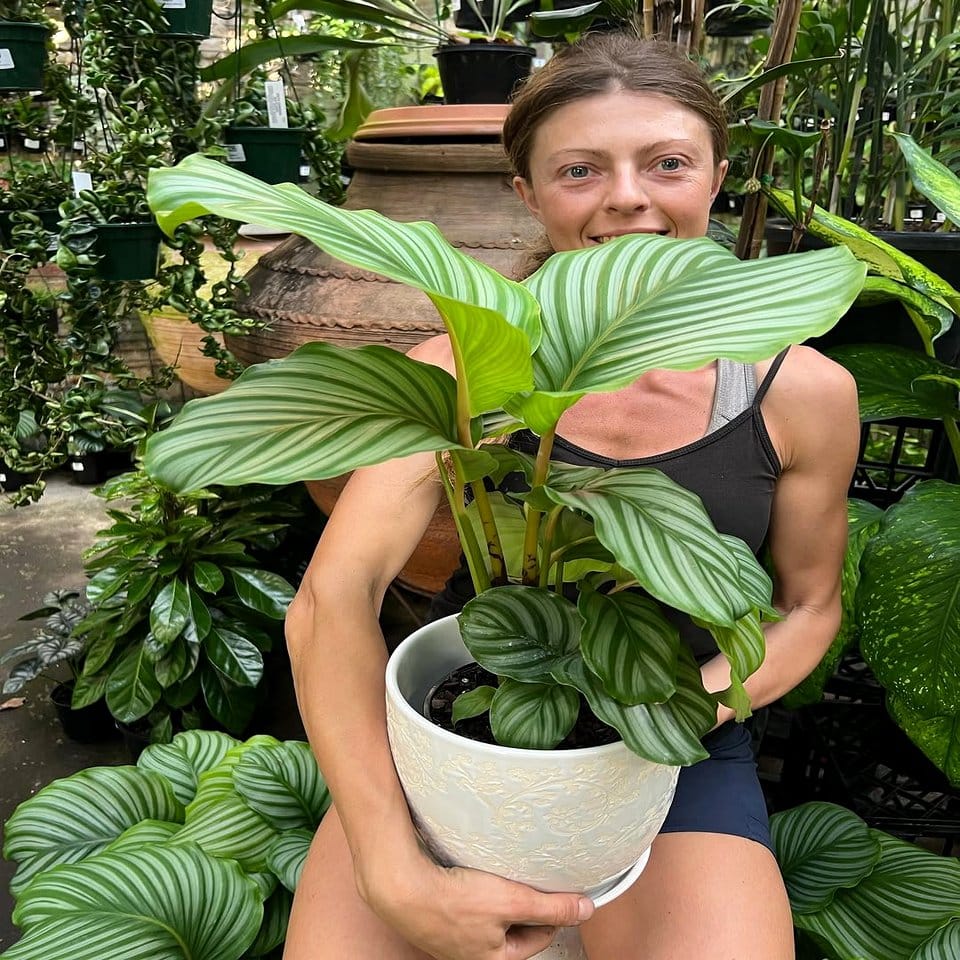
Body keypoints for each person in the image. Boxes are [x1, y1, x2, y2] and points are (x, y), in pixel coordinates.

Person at [282, 32, 859, 960]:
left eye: (667, 162)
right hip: (473, 721)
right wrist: (389, 866)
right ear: (529, 194)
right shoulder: (463, 375)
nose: (627, 196)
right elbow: (330, 603)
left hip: (678, 735)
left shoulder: (802, 391)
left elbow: (808, 606)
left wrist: (660, 720)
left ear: (717, 175)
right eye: (581, 169)